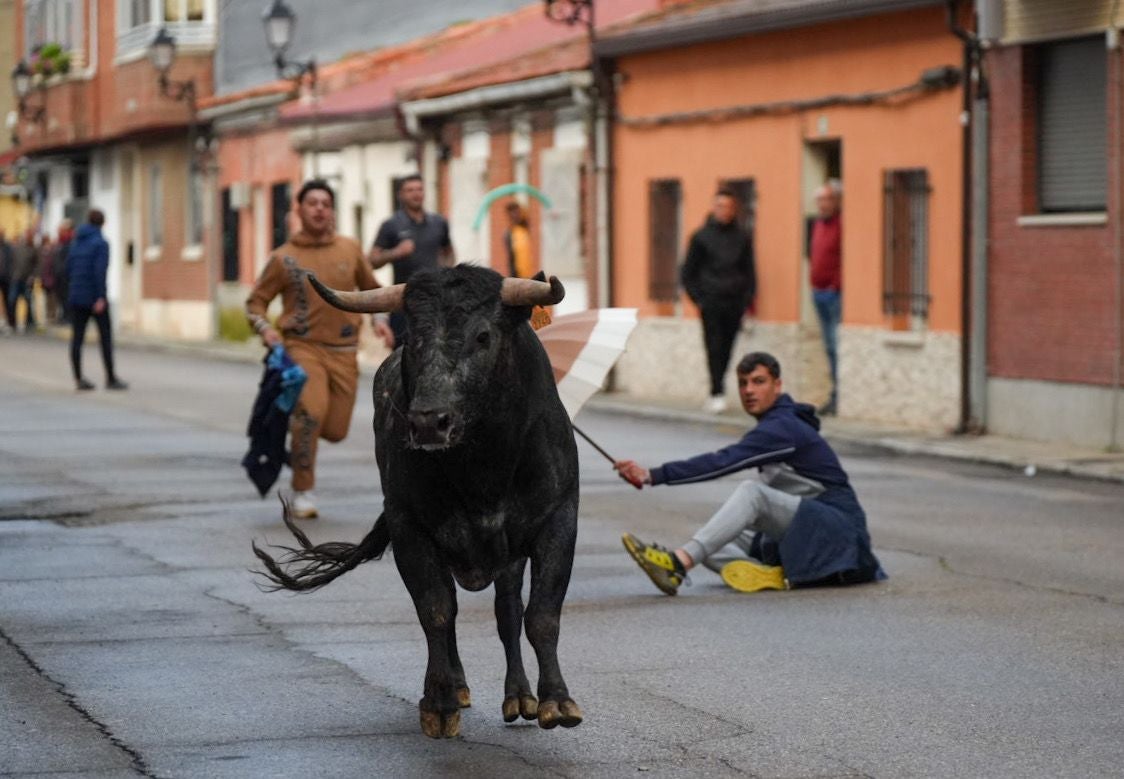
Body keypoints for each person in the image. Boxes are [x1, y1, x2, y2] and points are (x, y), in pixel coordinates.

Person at [615, 351, 884, 596]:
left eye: (758, 381)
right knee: (711, 541)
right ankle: (772, 573)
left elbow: (723, 462)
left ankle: (677, 564)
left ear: (777, 386)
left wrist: (652, 474)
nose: (749, 390)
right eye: (743, 383)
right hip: (808, 528)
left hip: (839, 534)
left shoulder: (783, 427)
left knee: (750, 493)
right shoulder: (775, 424)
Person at [246, 179, 380, 520]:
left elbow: (372, 290)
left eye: (325, 203)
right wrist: (266, 331)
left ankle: (299, 442)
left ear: (331, 211)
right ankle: (303, 491)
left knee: (335, 430)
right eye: (312, 203)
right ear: (300, 210)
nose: (319, 208)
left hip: (345, 350)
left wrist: (381, 321)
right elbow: (255, 303)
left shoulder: (350, 249)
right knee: (311, 412)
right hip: (302, 348)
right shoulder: (282, 258)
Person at [680, 188, 756, 414]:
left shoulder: (742, 237)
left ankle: (719, 386)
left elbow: (749, 270)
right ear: (713, 207)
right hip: (710, 302)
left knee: (728, 348)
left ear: (734, 210)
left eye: (729, 207)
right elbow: (687, 273)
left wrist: (747, 298)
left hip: (734, 302)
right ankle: (716, 391)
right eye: (720, 206)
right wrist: (699, 299)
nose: (724, 211)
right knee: (713, 346)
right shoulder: (701, 236)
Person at [368, 174, 455, 348]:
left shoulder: (438, 222)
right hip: (404, 302)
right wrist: (396, 252)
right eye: (410, 190)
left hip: (435, 302)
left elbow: (448, 251)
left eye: (419, 189)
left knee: (438, 353)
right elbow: (372, 260)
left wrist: (448, 273)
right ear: (400, 195)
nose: (416, 194)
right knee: (403, 356)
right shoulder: (391, 225)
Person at [67, 210, 127, 391]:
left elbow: (68, 268)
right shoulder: (101, 243)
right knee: (105, 338)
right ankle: (110, 377)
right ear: (103, 223)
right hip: (94, 297)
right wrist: (100, 297)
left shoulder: (76, 243)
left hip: (77, 296)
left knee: (77, 339)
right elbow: (99, 271)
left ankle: (78, 378)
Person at [809, 181, 842, 416]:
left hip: (833, 293)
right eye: (820, 200)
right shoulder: (818, 224)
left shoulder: (841, 225)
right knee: (827, 346)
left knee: (834, 345)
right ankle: (833, 393)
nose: (823, 204)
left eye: (827, 199)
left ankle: (838, 395)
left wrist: (835, 284)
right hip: (818, 292)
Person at [9, 230, 38, 333]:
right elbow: (11, 262)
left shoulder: (33, 249)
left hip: (27, 280)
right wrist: (12, 274)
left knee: (28, 301)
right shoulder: (16, 248)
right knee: (12, 301)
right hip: (16, 278)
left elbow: (37, 264)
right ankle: (12, 323)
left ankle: (28, 323)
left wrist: (32, 276)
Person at [504, 201, 534, 278]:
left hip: (527, 271)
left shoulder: (524, 229)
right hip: (517, 272)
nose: (516, 215)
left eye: (517, 212)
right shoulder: (509, 233)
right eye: (513, 213)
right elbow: (511, 257)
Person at [0, 229, 14, 334]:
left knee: (8, 301)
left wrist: (11, 274)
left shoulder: (8, 247)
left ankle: (10, 323)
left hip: (6, 278)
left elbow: (12, 261)